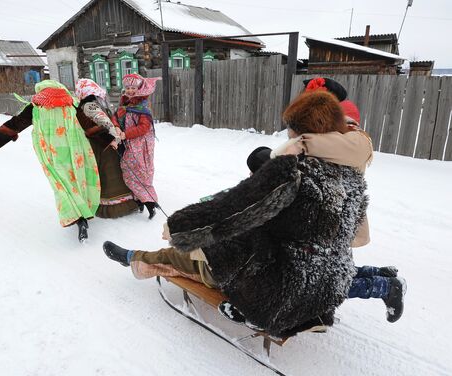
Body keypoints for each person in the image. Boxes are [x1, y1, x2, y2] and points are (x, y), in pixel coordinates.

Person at [103, 90, 369, 338]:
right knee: (237, 242)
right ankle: (138, 258)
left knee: (209, 250)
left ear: (302, 131)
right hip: (330, 286)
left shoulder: (294, 171)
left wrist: (180, 226)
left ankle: (135, 258)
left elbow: (234, 209)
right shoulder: (352, 176)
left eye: (290, 128)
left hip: (282, 291)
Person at [299, 77, 406, 322]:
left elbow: (307, 146)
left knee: (325, 283)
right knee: (330, 271)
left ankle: (386, 287)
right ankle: (383, 276)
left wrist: (292, 146)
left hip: (335, 220)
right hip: (320, 218)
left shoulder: (350, 136)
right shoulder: (326, 131)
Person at [0, 80, 100, 243]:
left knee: (61, 183)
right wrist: (110, 140)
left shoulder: (37, 105)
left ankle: (78, 217)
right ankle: (84, 214)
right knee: (79, 180)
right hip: (75, 151)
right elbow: (89, 125)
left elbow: (15, 124)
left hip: (51, 153)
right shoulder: (72, 102)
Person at [74, 78, 138, 218]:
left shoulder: (87, 106)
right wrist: (115, 138)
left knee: (107, 172)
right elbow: (105, 122)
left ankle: (113, 206)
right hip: (103, 142)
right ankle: (119, 205)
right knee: (110, 171)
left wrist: (114, 138)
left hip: (100, 143)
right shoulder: (90, 106)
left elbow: (103, 122)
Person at [112, 73, 161, 219]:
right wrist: (116, 127)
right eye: (127, 87)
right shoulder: (125, 103)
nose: (130, 90)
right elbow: (116, 116)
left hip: (141, 144)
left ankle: (149, 202)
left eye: (133, 87)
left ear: (139, 88)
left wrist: (125, 134)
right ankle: (141, 201)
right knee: (129, 171)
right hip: (129, 142)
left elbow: (143, 128)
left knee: (140, 172)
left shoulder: (142, 106)